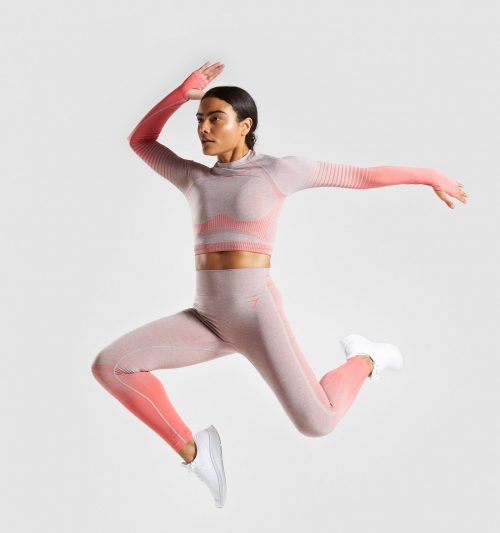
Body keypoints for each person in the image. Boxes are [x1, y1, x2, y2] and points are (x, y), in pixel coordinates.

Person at [91, 60, 468, 508]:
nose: (204, 129)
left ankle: (367, 358)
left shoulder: (280, 171)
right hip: (206, 318)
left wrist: (430, 176)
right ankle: (195, 452)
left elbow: (363, 177)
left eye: (216, 118)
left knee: (318, 422)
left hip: (254, 312)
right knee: (112, 365)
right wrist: (180, 92)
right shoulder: (192, 177)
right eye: (199, 119)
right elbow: (141, 140)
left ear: (245, 125)